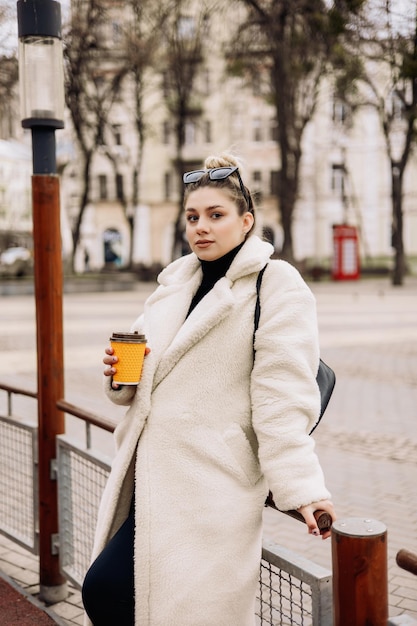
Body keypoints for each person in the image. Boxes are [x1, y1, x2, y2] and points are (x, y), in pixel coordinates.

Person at [82, 153, 336, 626]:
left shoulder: (276, 285)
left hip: (212, 484)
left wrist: (303, 488)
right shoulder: (176, 282)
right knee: (113, 594)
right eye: (192, 217)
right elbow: (137, 380)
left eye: (216, 216)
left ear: (246, 221)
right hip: (151, 476)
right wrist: (119, 372)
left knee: (145, 601)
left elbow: (282, 396)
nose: (201, 227)